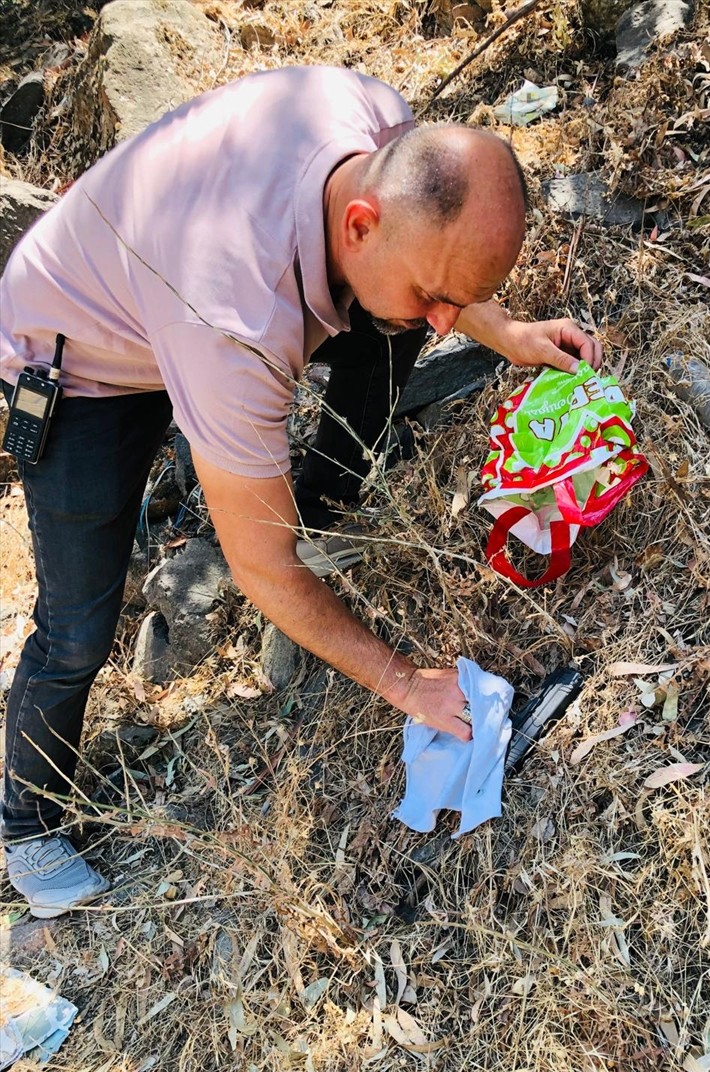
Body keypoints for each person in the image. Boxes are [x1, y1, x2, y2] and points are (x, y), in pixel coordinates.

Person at [0, 65, 601, 918]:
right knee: (76, 626)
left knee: (384, 328)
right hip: (77, 356)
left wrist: (497, 326)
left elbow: (423, 254)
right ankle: (25, 822)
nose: (443, 321)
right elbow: (264, 571)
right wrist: (405, 684)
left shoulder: (376, 126)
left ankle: (318, 500)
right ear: (359, 222)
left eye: (453, 300)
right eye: (439, 297)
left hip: (171, 286)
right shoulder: (235, 324)